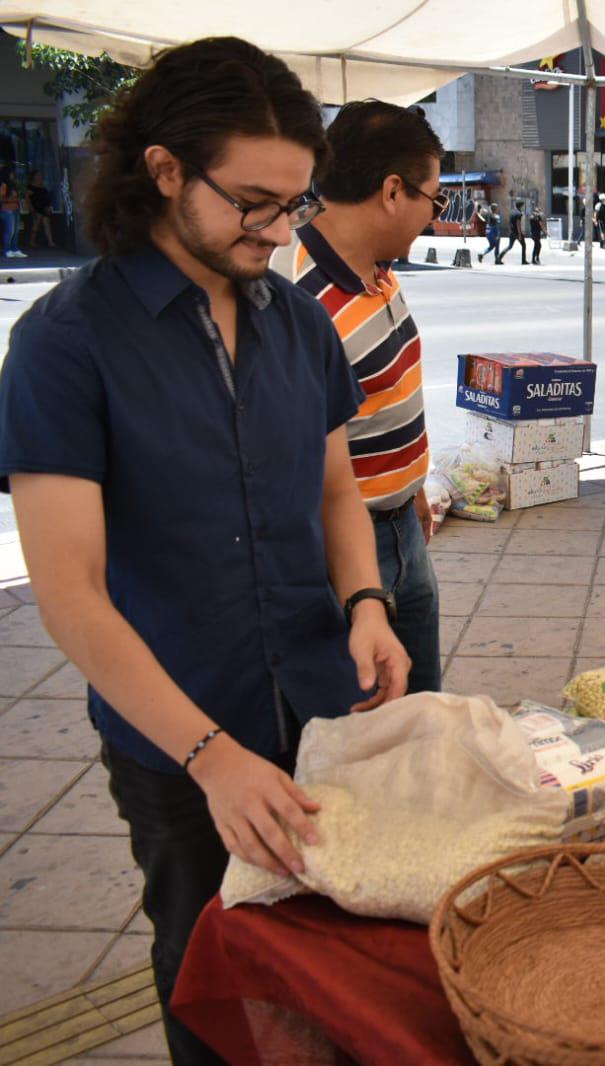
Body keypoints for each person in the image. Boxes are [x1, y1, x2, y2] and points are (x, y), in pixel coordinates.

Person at [0, 37, 409, 1064]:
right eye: (253, 203)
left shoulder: (301, 325)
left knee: (336, 974)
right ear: (166, 169)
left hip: (319, 710)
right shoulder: (65, 343)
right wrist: (211, 757)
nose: (278, 230)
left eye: (295, 205)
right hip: (178, 743)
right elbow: (71, 594)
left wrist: (367, 605)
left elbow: (336, 493)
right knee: (215, 988)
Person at [273, 99, 445, 698]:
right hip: (346, 550)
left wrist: (413, 485)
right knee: (371, 722)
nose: (433, 216)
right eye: (435, 199)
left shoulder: (376, 266)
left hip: (404, 527)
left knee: (423, 711)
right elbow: (300, 463)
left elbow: (386, 388)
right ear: (393, 191)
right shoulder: (295, 300)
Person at [26, 170, 54, 250]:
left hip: (44, 207)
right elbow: (27, 198)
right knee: (36, 224)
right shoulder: (31, 186)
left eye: (40, 175)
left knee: (47, 224)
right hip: (36, 207)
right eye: (38, 175)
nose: (40, 176)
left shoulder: (42, 186)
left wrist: (49, 206)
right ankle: (32, 241)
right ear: (34, 176)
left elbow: (46, 197)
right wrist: (30, 207)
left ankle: (51, 242)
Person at [0, 172, 23, 258]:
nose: (13, 175)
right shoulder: (4, 185)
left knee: (16, 230)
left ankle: (15, 249)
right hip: (7, 209)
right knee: (10, 231)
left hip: (15, 208)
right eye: (11, 174)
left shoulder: (13, 185)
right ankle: (7, 249)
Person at [506, 199, 529, 264]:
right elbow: (518, 224)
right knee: (524, 245)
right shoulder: (519, 214)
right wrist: (519, 234)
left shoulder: (512, 212)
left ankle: (499, 257)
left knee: (509, 246)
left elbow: (509, 222)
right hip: (516, 232)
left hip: (511, 232)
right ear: (521, 206)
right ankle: (523, 260)